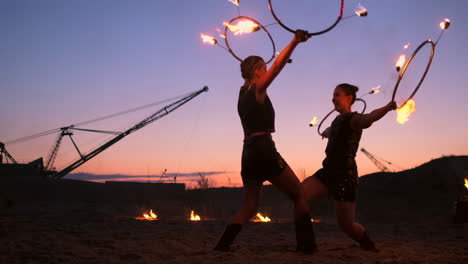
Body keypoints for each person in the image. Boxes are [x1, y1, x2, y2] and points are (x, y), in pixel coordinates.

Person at [214, 30, 316, 254]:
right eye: (264, 68)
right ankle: (306, 246)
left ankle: (222, 245)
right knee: (299, 194)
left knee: (250, 206)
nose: (268, 70)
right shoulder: (257, 89)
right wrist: (294, 42)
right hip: (263, 150)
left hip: (248, 152)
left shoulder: (242, 92)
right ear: (258, 71)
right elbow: (277, 68)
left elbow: (277, 66)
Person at [302, 83, 397, 251]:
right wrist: (325, 132)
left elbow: (370, 117)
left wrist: (387, 108)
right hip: (327, 172)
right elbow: (333, 130)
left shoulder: (355, 119)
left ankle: (368, 245)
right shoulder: (337, 120)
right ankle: (307, 244)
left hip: (345, 177)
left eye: (337, 95)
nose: (333, 98)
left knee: (346, 225)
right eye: (333, 95)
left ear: (349, 98)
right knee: (300, 194)